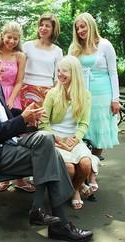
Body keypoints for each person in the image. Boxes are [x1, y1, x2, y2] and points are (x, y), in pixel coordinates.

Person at [0, 48, 93, 241]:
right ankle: (58, 222)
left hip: (11, 144)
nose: (3, 69)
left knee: (46, 140)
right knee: (51, 156)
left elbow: (3, 117)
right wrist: (22, 120)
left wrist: (27, 116)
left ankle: (40, 210)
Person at [39, 55, 99, 209]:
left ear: (75, 73)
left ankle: (75, 189)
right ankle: (73, 190)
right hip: (55, 138)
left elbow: (84, 123)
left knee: (85, 164)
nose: (59, 74)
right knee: (70, 169)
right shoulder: (52, 94)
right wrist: (58, 139)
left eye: (64, 71)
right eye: (58, 70)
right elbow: (43, 123)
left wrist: (76, 138)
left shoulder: (85, 95)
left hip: (73, 139)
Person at [68, 12, 120, 168]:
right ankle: (82, 163)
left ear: (90, 25)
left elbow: (113, 72)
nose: (80, 31)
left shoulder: (105, 45)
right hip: (80, 94)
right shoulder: (74, 47)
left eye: (83, 26)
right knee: (81, 128)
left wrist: (115, 99)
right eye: (77, 28)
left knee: (99, 131)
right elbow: (68, 70)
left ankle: (93, 167)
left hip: (102, 95)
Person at [0, 21, 34, 192]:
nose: (11, 41)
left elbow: (19, 81)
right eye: (9, 37)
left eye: (15, 39)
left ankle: (20, 179)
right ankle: (2, 176)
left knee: (16, 133)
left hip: (13, 97)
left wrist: (12, 99)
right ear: (3, 36)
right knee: (0, 132)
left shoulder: (20, 56)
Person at [20, 13, 63, 109]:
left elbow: (57, 78)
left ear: (53, 30)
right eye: (41, 25)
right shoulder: (27, 46)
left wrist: (56, 98)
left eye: (47, 26)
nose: (43, 28)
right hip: (26, 90)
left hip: (46, 91)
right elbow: (19, 71)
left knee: (42, 122)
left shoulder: (58, 51)